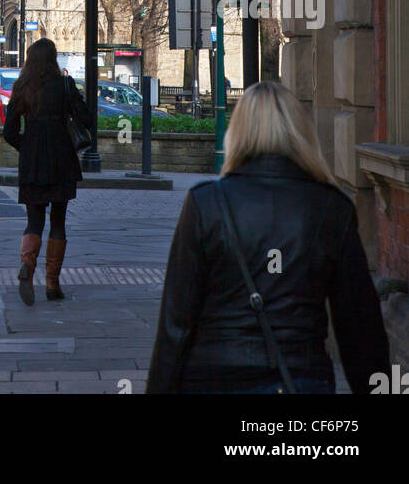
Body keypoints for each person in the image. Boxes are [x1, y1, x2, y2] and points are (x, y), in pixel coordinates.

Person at [146, 81, 390, 394]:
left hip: (213, 377)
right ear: (300, 133)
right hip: (301, 378)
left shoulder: (206, 203)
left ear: (238, 133)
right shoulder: (331, 207)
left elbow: (175, 323)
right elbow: (359, 329)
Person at [2, 37, 90, 305]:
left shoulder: (22, 88)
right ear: (53, 59)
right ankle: (52, 284)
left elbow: (8, 133)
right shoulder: (64, 85)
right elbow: (85, 119)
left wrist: (27, 147)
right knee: (59, 222)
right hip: (61, 159)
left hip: (33, 162)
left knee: (34, 221)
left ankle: (27, 267)